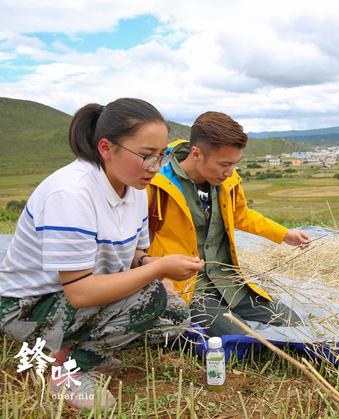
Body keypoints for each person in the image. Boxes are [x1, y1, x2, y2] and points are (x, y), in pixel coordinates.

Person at [0, 98, 204, 410]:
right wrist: (158, 269)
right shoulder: (71, 194)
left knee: (175, 313)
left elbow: (134, 251)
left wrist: (148, 262)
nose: (155, 166)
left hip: (78, 295)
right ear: (106, 147)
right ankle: (66, 370)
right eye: (146, 155)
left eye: (161, 156)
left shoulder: (134, 186)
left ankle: (78, 343)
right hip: (29, 306)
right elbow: (80, 292)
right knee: (150, 297)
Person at [147, 111, 311, 336]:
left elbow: (241, 214)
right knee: (240, 339)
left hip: (228, 282)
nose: (230, 172)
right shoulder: (156, 185)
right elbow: (137, 242)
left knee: (293, 322)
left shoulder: (227, 180)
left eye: (235, 164)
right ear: (196, 153)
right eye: (224, 164)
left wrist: (284, 234)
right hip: (189, 289)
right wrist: (161, 279)